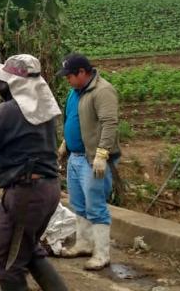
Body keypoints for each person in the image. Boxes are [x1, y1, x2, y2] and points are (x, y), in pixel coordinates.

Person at [0, 54, 68, 291]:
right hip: (48, 188)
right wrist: (4, 153)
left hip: (26, 194)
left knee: (7, 264)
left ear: (13, 84)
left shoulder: (9, 110)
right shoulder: (43, 108)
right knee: (29, 252)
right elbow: (32, 143)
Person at [56, 53, 120, 271]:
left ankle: (102, 254)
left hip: (91, 159)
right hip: (75, 157)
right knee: (79, 205)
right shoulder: (75, 93)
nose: (67, 80)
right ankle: (83, 243)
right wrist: (66, 142)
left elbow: (109, 123)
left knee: (96, 207)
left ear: (82, 73)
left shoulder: (103, 91)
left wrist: (102, 154)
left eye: (69, 76)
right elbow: (75, 120)